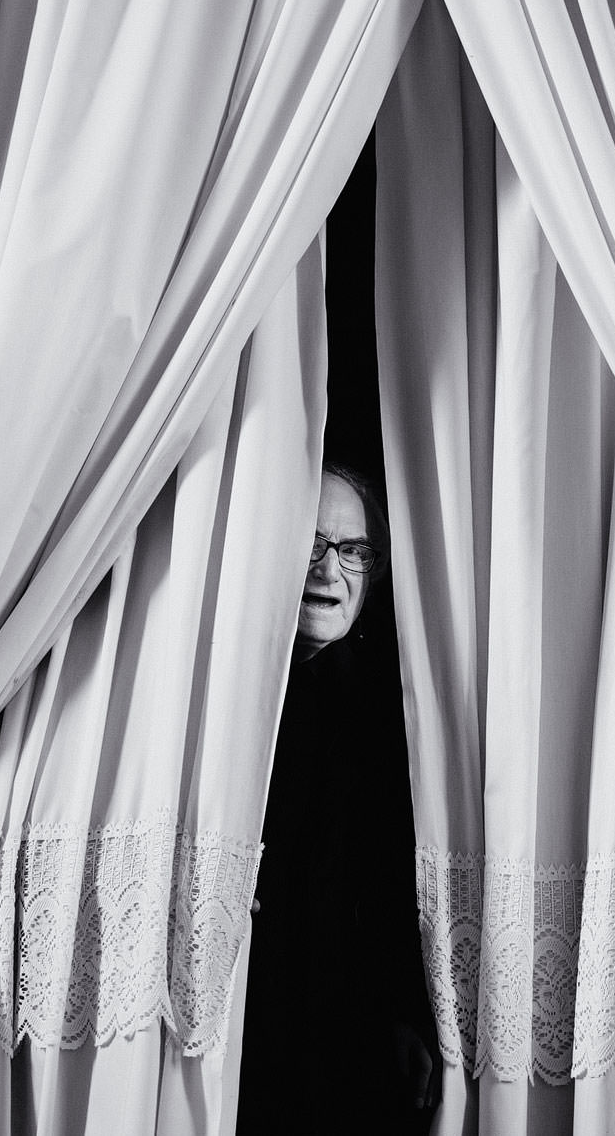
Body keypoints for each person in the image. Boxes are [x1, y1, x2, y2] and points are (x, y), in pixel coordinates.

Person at [235, 464, 441, 1135]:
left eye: (353, 549)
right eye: (312, 542)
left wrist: (407, 1015)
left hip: (347, 1040)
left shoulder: (391, 712)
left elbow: (389, 881)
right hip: (249, 1032)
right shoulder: (232, 702)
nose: (329, 568)